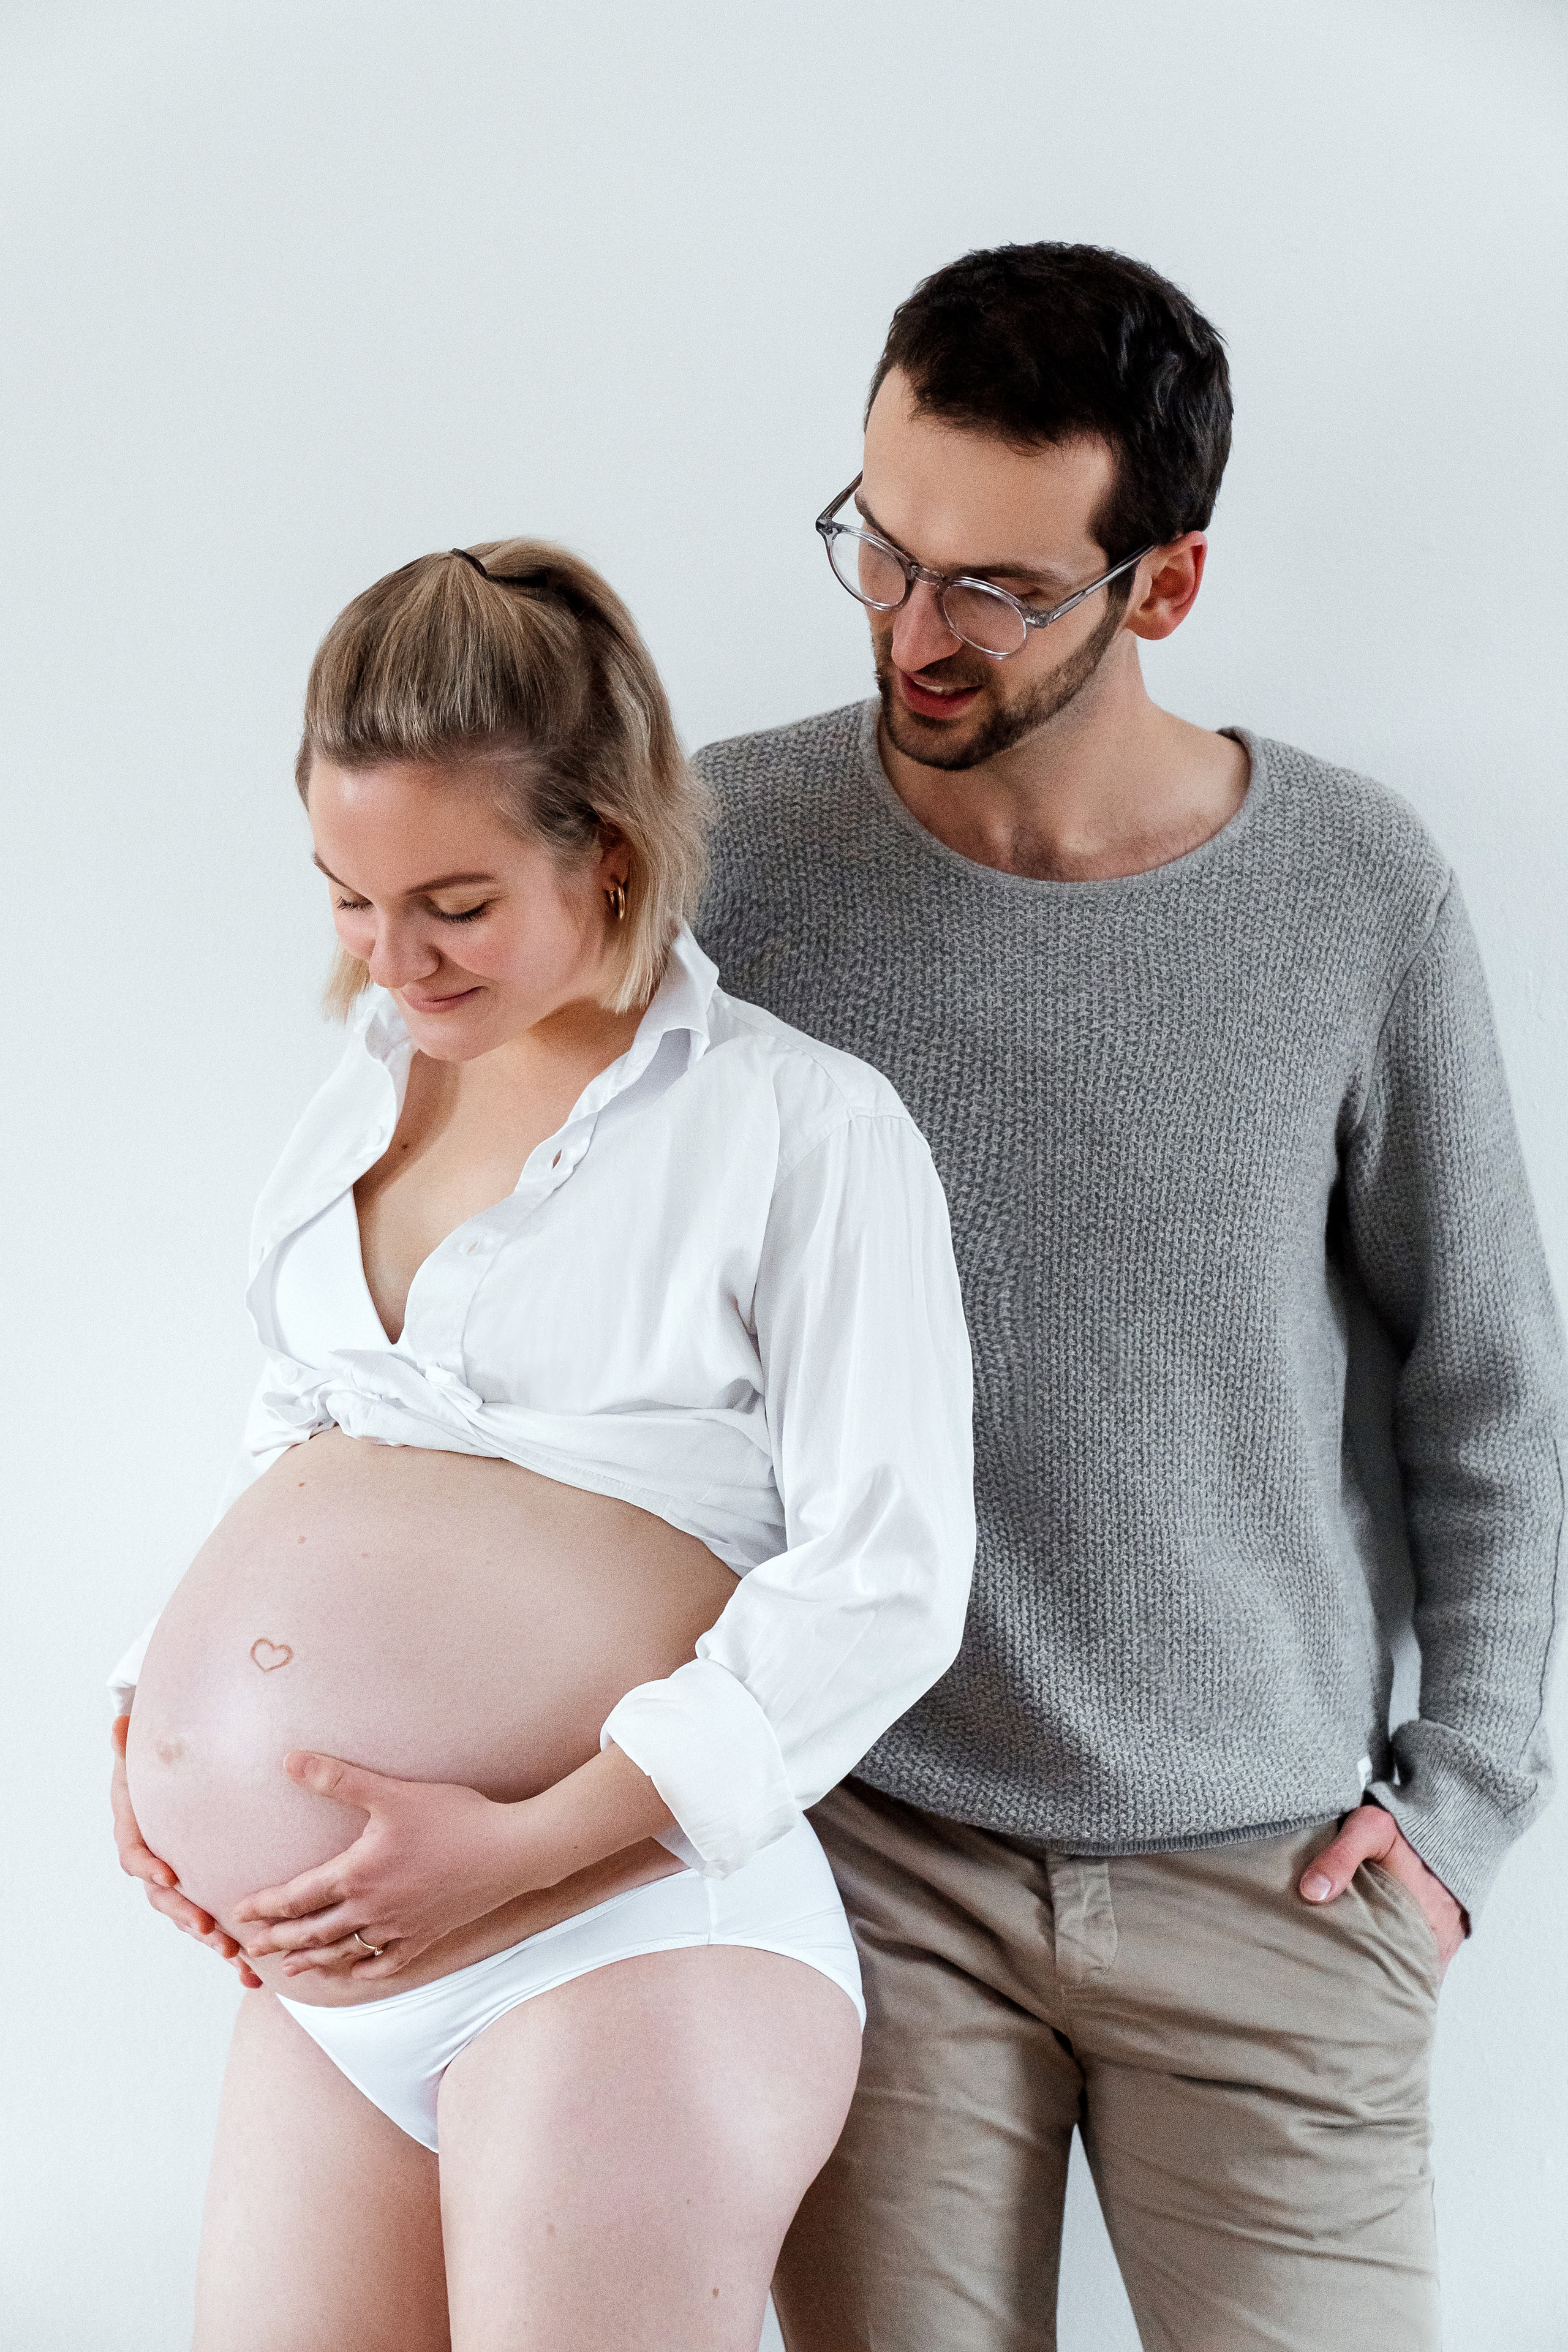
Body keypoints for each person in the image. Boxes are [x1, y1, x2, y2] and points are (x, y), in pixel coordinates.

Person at [694, 244, 1566, 2351]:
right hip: (872, 1858)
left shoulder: (1358, 888)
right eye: (881, 551)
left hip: (1276, 1881)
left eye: (994, 587)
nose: (914, 629)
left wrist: (1462, 1803)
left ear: (1161, 587)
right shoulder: (722, 860)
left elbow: (1494, 1390)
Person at [107, 538, 975, 2352]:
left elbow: (885, 1585)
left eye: (453, 902)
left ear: (612, 854)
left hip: (624, 1934)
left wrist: (523, 1848)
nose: (392, 962)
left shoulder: (801, 1131)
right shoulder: (360, 1099)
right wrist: (156, 1731)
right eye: (348, 899)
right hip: (343, 1971)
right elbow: (304, 1423)